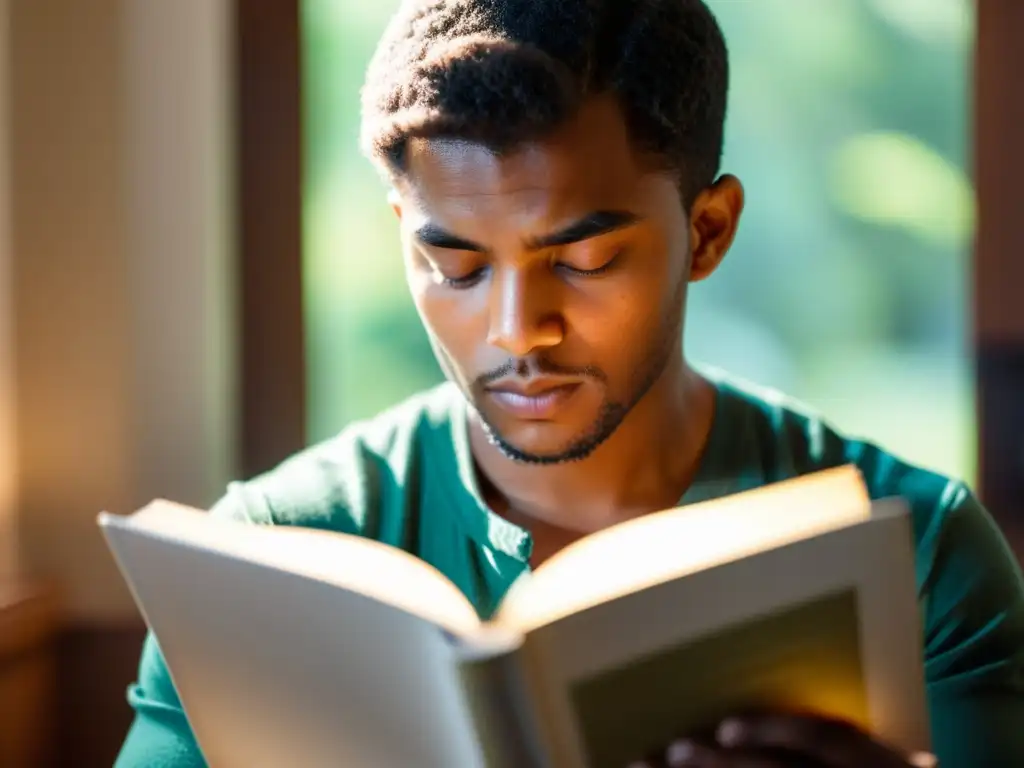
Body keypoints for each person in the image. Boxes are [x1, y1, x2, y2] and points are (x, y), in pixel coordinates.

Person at [114, 0, 1024, 766]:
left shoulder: (919, 558)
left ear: (707, 232)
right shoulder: (264, 559)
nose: (517, 329)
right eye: (455, 266)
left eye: (584, 259)